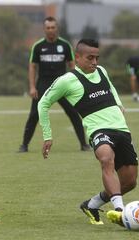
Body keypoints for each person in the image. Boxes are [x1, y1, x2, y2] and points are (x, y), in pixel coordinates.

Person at [38, 39, 139, 226]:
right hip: (99, 130)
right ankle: (120, 211)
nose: (94, 62)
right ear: (77, 58)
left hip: (121, 129)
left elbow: (111, 87)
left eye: (97, 58)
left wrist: (118, 103)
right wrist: (47, 135)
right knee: (106, 159)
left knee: (130, 181)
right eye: (90, 58)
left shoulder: (101, 71)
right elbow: (43, 103)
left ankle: (91, 205)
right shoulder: (66, 81)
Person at [18, 16, 90, 153]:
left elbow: (72, 65)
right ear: (44, 29)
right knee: (34, 114)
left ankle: (84, 144)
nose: (51, 30)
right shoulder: (38, 46)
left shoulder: (65, 45)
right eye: (48, 28)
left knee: (74, 113)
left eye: (53, 27)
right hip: (43, 84)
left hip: (62, 84)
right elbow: (32, 67)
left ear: (57, 29)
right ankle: (24, 145)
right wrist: (32, 87)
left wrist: (77, 83)